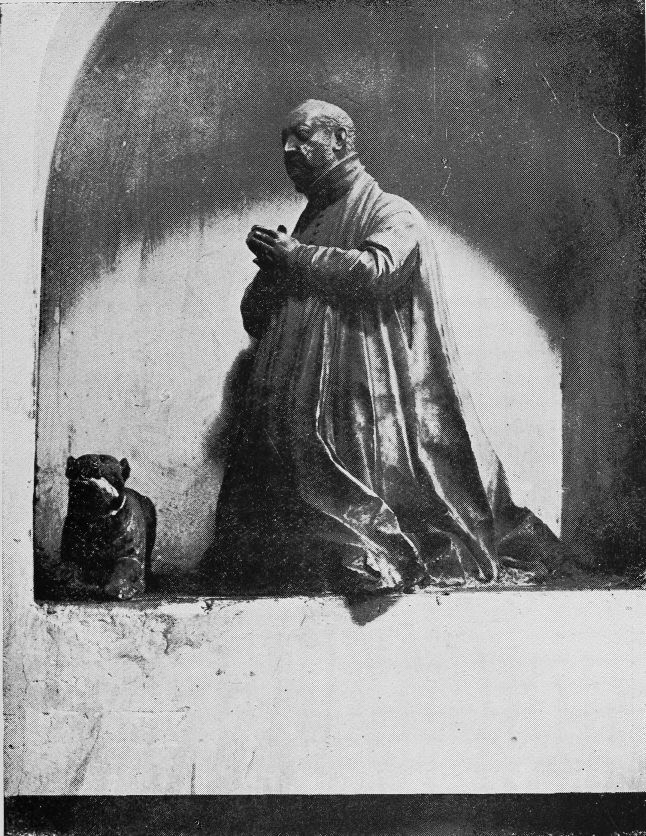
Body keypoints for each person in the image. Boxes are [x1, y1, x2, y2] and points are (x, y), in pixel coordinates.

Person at [209, 99, 560, 595]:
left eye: (303, 136)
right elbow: (256, 317)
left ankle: (376, 553)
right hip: (295, 401)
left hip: (360, 398)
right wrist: (273, 268)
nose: (289, 149)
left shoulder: (392, 212)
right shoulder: (309, 222)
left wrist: (296, 257)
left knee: (349, 499)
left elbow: (377, 271)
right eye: (284, 139)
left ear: (341, 141)